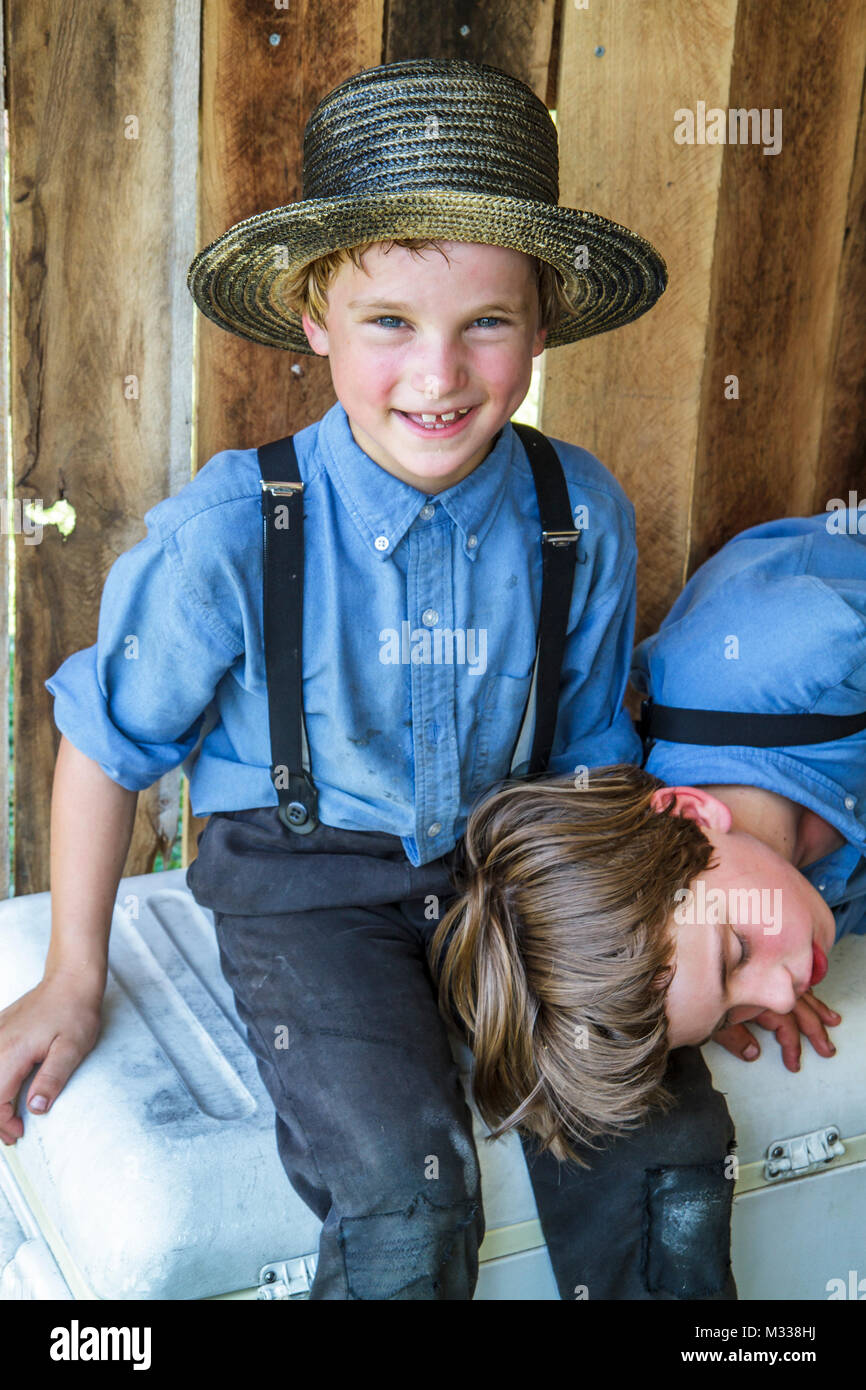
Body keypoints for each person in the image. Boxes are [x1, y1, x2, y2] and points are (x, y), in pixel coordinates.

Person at [0, 57, 687, 1300]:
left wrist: (668, 953)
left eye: (486, 320)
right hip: (308, 893)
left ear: (541, 327)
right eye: (389, 323)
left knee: (657, 1142)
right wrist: (73, 971)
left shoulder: (573, 510)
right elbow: (109, 739)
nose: (439, 375)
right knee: (402, 1189)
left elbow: (590, 764)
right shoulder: (228, 527)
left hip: (508, 873)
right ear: (314, 317)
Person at [431, 508, 864, 1294]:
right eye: (733, 1012)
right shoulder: (769, 883)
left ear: (690, 814)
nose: (783, 986)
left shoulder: (815, 650)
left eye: (736, 949)